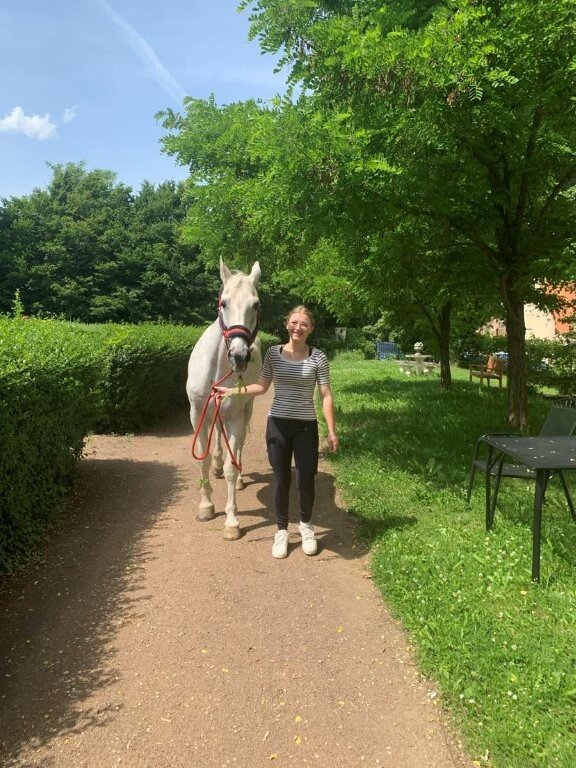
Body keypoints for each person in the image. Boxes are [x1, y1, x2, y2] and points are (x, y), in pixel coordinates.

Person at [215, 306, 338, 558]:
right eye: (294, 322)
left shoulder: (318, 357)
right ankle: (281, 530)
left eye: (304, 324)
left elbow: (325, 395)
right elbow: (261, 387)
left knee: (305, 479)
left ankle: (306, 526)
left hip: (306, 426)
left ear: (311, 328)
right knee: (281, 479)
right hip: (278, 426)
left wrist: (332, 431)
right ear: (286, 324)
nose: (298, 328)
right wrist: (232, 391)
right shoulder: (273, 353)